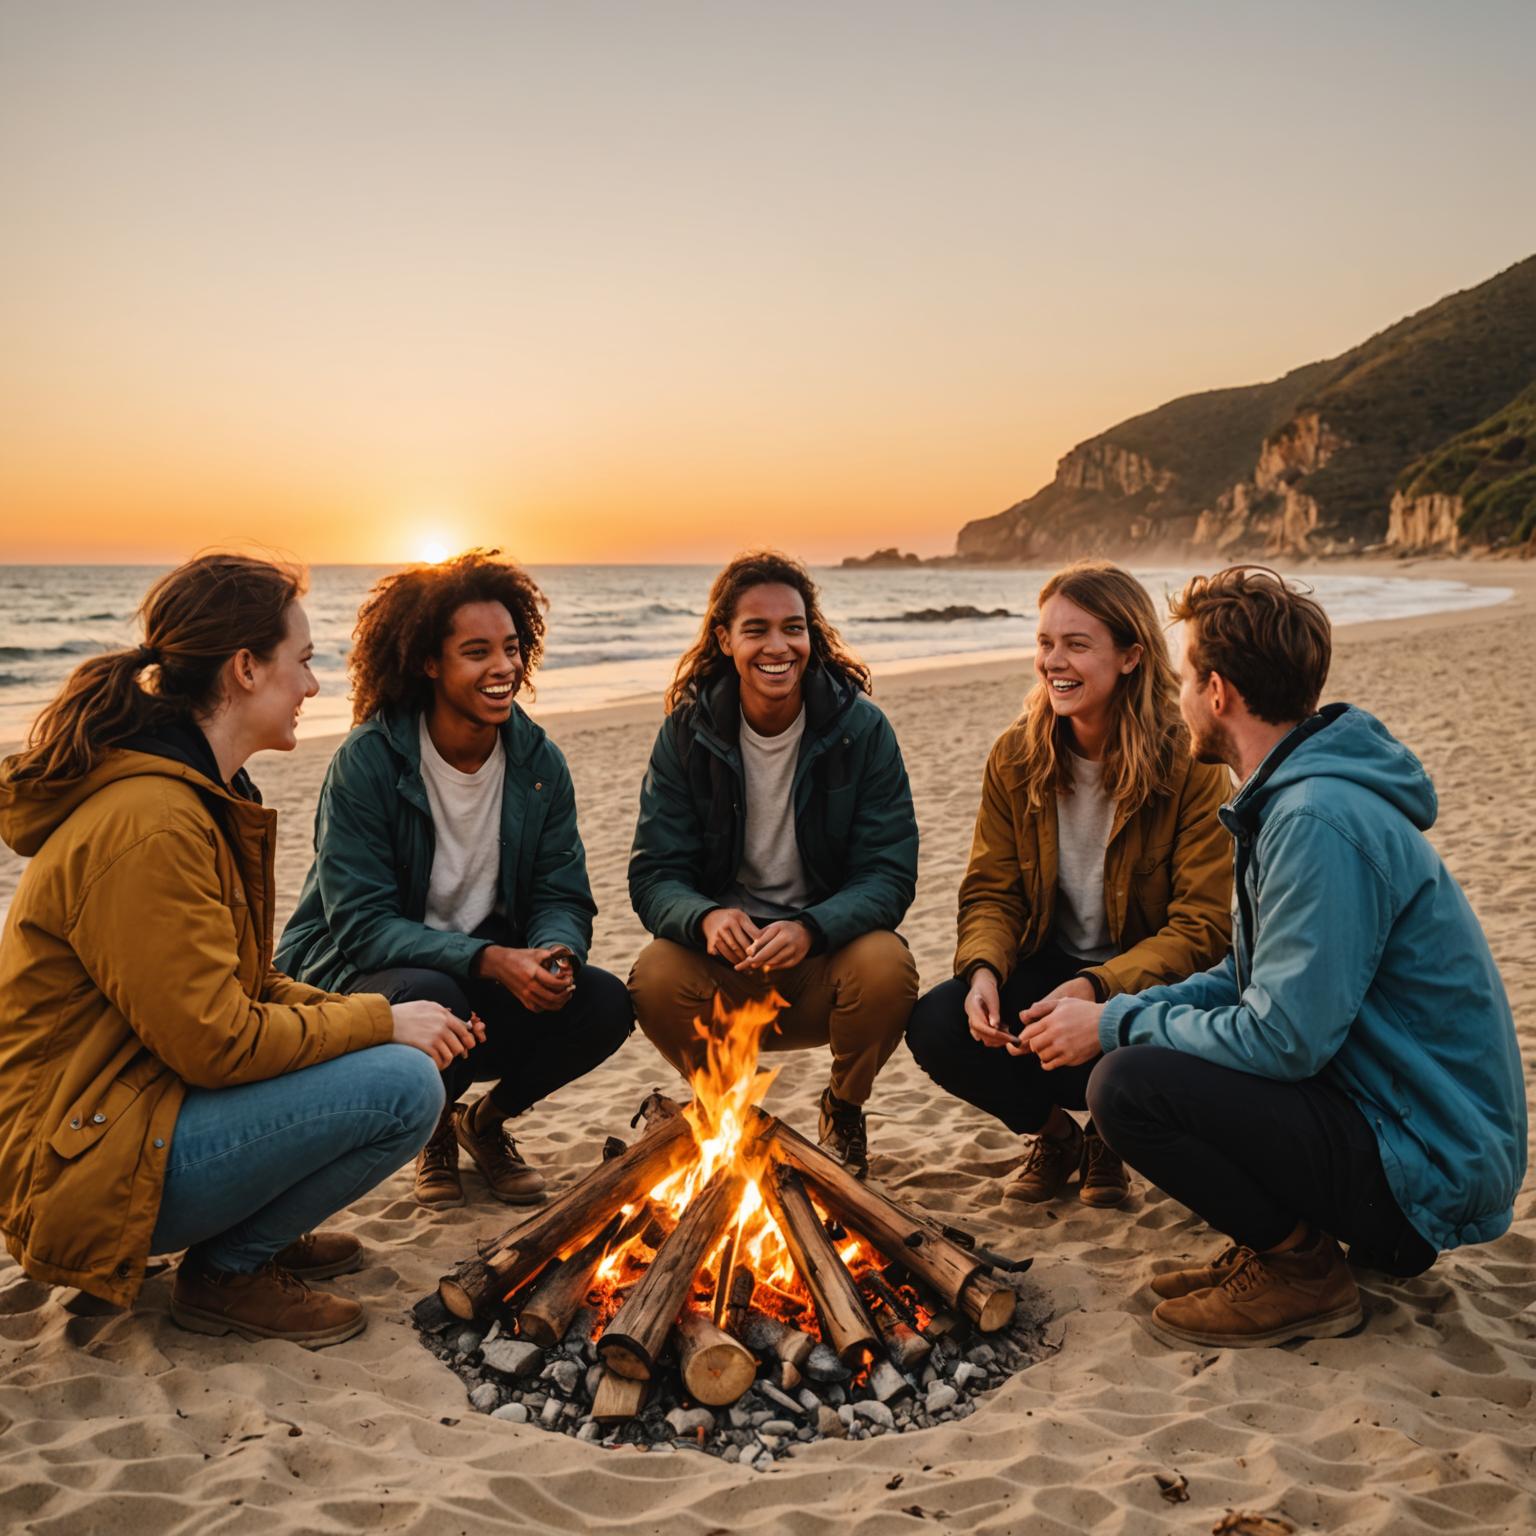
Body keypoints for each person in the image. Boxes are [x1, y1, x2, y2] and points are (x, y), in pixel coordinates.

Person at [1016, 566, 1525, 1347]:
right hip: (1397, 1120)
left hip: (1427, 1161)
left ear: (1218, 692)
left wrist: (1115, 1030)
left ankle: (1301, 1271)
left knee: (1126, 1086)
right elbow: (1243, 978)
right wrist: (1115, 1010)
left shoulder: (1315, 819)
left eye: (1185, 680)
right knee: (1133, 1052)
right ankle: (1282, 1245)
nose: (1179, 698)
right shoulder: (1291, 799)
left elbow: (1284, 1039)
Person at [0, 554, 471, 1348]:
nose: (314, 687)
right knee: (402, 1087)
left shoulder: (200, 796)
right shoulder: (153, 823)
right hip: (80, 1167)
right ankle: (228, 1274)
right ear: (246, 669)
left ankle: (252, 1234)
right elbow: (215, 1041)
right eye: (305, 663)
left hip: (126, 1117)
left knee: (393, 1051)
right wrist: (379, 1026)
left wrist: (381, 1011)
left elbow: (246, 987)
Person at [277, 550, 632, 1210]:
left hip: (484, 968)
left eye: (511, 647)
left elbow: (563, 890)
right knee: (435, 990)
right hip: (367, 979)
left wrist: (554, 952)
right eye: (477, 652)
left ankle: (485, 1123)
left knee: (604, 1001)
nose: (503, 667)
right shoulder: (369, 762)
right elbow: (363, 928)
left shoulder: (537, 762)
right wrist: (493, 960)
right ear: (428, 662)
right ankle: (434, 1127)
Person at [906, 561, 1232, 1206]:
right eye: (1046, 643)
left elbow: (1202, 926)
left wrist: (1096, 987)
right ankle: (1059, 1138)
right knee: (938, 1023)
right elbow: (991, 890)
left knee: (1138, 1035)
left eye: (1077, 645)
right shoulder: (1016, 755)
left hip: (1150, 981)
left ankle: (1112, 1135)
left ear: (1132, 655)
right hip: (1051, 965)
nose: (1054, 661)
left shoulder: (1189, 762)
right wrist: (982, 972)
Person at [627, 550, 919, 1178]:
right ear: (724, 639)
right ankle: (731, 1108)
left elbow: (889, 873)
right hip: (723, 967)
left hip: (821, 962)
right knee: (652, 973)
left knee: (888, 965)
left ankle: (842, 1109)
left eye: (793, 627)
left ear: (811, 634)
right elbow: (654, 875)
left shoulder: (860, 730)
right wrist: (704, 918)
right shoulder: (686, 734)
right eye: (755, 629)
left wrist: (813, 926)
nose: (777, 645)